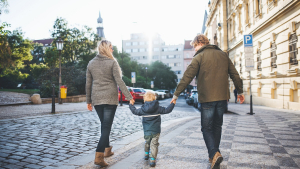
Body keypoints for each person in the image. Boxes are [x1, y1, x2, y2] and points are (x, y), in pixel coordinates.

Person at [171, 34, 245, 169]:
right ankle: (213, 157)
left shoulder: (199, 57)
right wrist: (240, 91)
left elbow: (187, 76)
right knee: (217, 126)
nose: (194, 50)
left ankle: (214, 152)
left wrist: (176, 94)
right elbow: (234, 74)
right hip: (222, 98)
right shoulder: (223, 55)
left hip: (207, 98)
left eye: (194, 47)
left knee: (206, 127)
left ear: (199, 43)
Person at [86, 39, 135, 167]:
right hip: (110, 99)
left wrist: (88, 101)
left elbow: (88, 84)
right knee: (106, 127)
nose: (113, 50)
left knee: (104, 125)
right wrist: (129, 96)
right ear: (107, 48)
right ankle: (99, 156)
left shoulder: (91, 63)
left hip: (97, 99)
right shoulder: (112, 62)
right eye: (111, 48)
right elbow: (119, 81)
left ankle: (107, 150)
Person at [129, 91, 175, 167]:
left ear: (144, 99)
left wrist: (131, 104)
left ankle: (146, 154)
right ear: (154, 98)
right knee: (154, 144)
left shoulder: (143, 109)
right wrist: (173, 103)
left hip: (147, 131)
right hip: (156, 131)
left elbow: (134, 111)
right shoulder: (157, 108)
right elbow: (167, 110)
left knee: (147, 142)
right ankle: (152, 160)